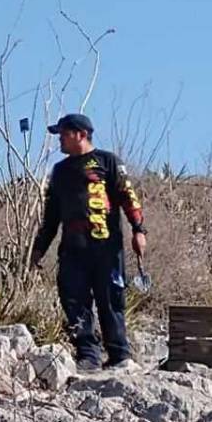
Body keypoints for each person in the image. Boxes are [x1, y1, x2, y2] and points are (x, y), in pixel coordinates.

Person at [31, 113, 147, 371]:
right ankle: (88, 355)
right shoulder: (60, 172)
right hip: (72, 250)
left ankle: (119, 355)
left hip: (107, 247)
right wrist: (39, 249)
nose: (60, 139)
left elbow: (128, 197)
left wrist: (138, 230)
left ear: (81, 134)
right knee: (74, 300)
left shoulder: (108, 162)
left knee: (111, 299)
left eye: (64, 133)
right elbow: (51, 216)